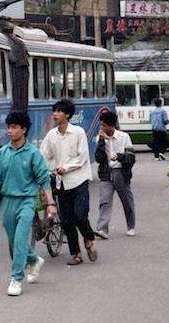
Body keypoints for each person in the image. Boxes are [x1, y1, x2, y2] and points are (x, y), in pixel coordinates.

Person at [0, 111, 55, 297]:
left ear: (24, 129)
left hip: (27, 201)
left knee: (21, 239)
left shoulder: (33, 154)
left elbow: (44, 179)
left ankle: (16, 279)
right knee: (14, 243)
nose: (10, 131)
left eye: (14, 127)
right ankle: (34, 260)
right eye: (9, 127)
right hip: (8, 201)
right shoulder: (3, 152)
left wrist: (50, 203)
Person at [40, 99, 97, 265]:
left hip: (78, 181)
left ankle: (88, 238)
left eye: (59, 111)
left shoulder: (78, 133)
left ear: (67, 114)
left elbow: (83, 158)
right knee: (66, 221)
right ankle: (76, 254)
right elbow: (44, 156)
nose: (55, 114)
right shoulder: (51, 135)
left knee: (80, 216)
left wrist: (66, 167)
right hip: (60, 184)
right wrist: (50, 168)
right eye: (54, 111)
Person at [93, 111, 136, 238]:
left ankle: (131, 225)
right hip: (106, 173)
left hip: (120, 172)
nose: (102, 128)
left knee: (126, 200)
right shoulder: (99, 138)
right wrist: (101, 142)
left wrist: (120, 157)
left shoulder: (124, 137)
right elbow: (98, 158)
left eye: (104, 126)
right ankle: (102, 229)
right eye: (101, 125)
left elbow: (131, 157)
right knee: (104, 201)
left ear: (111, 126)